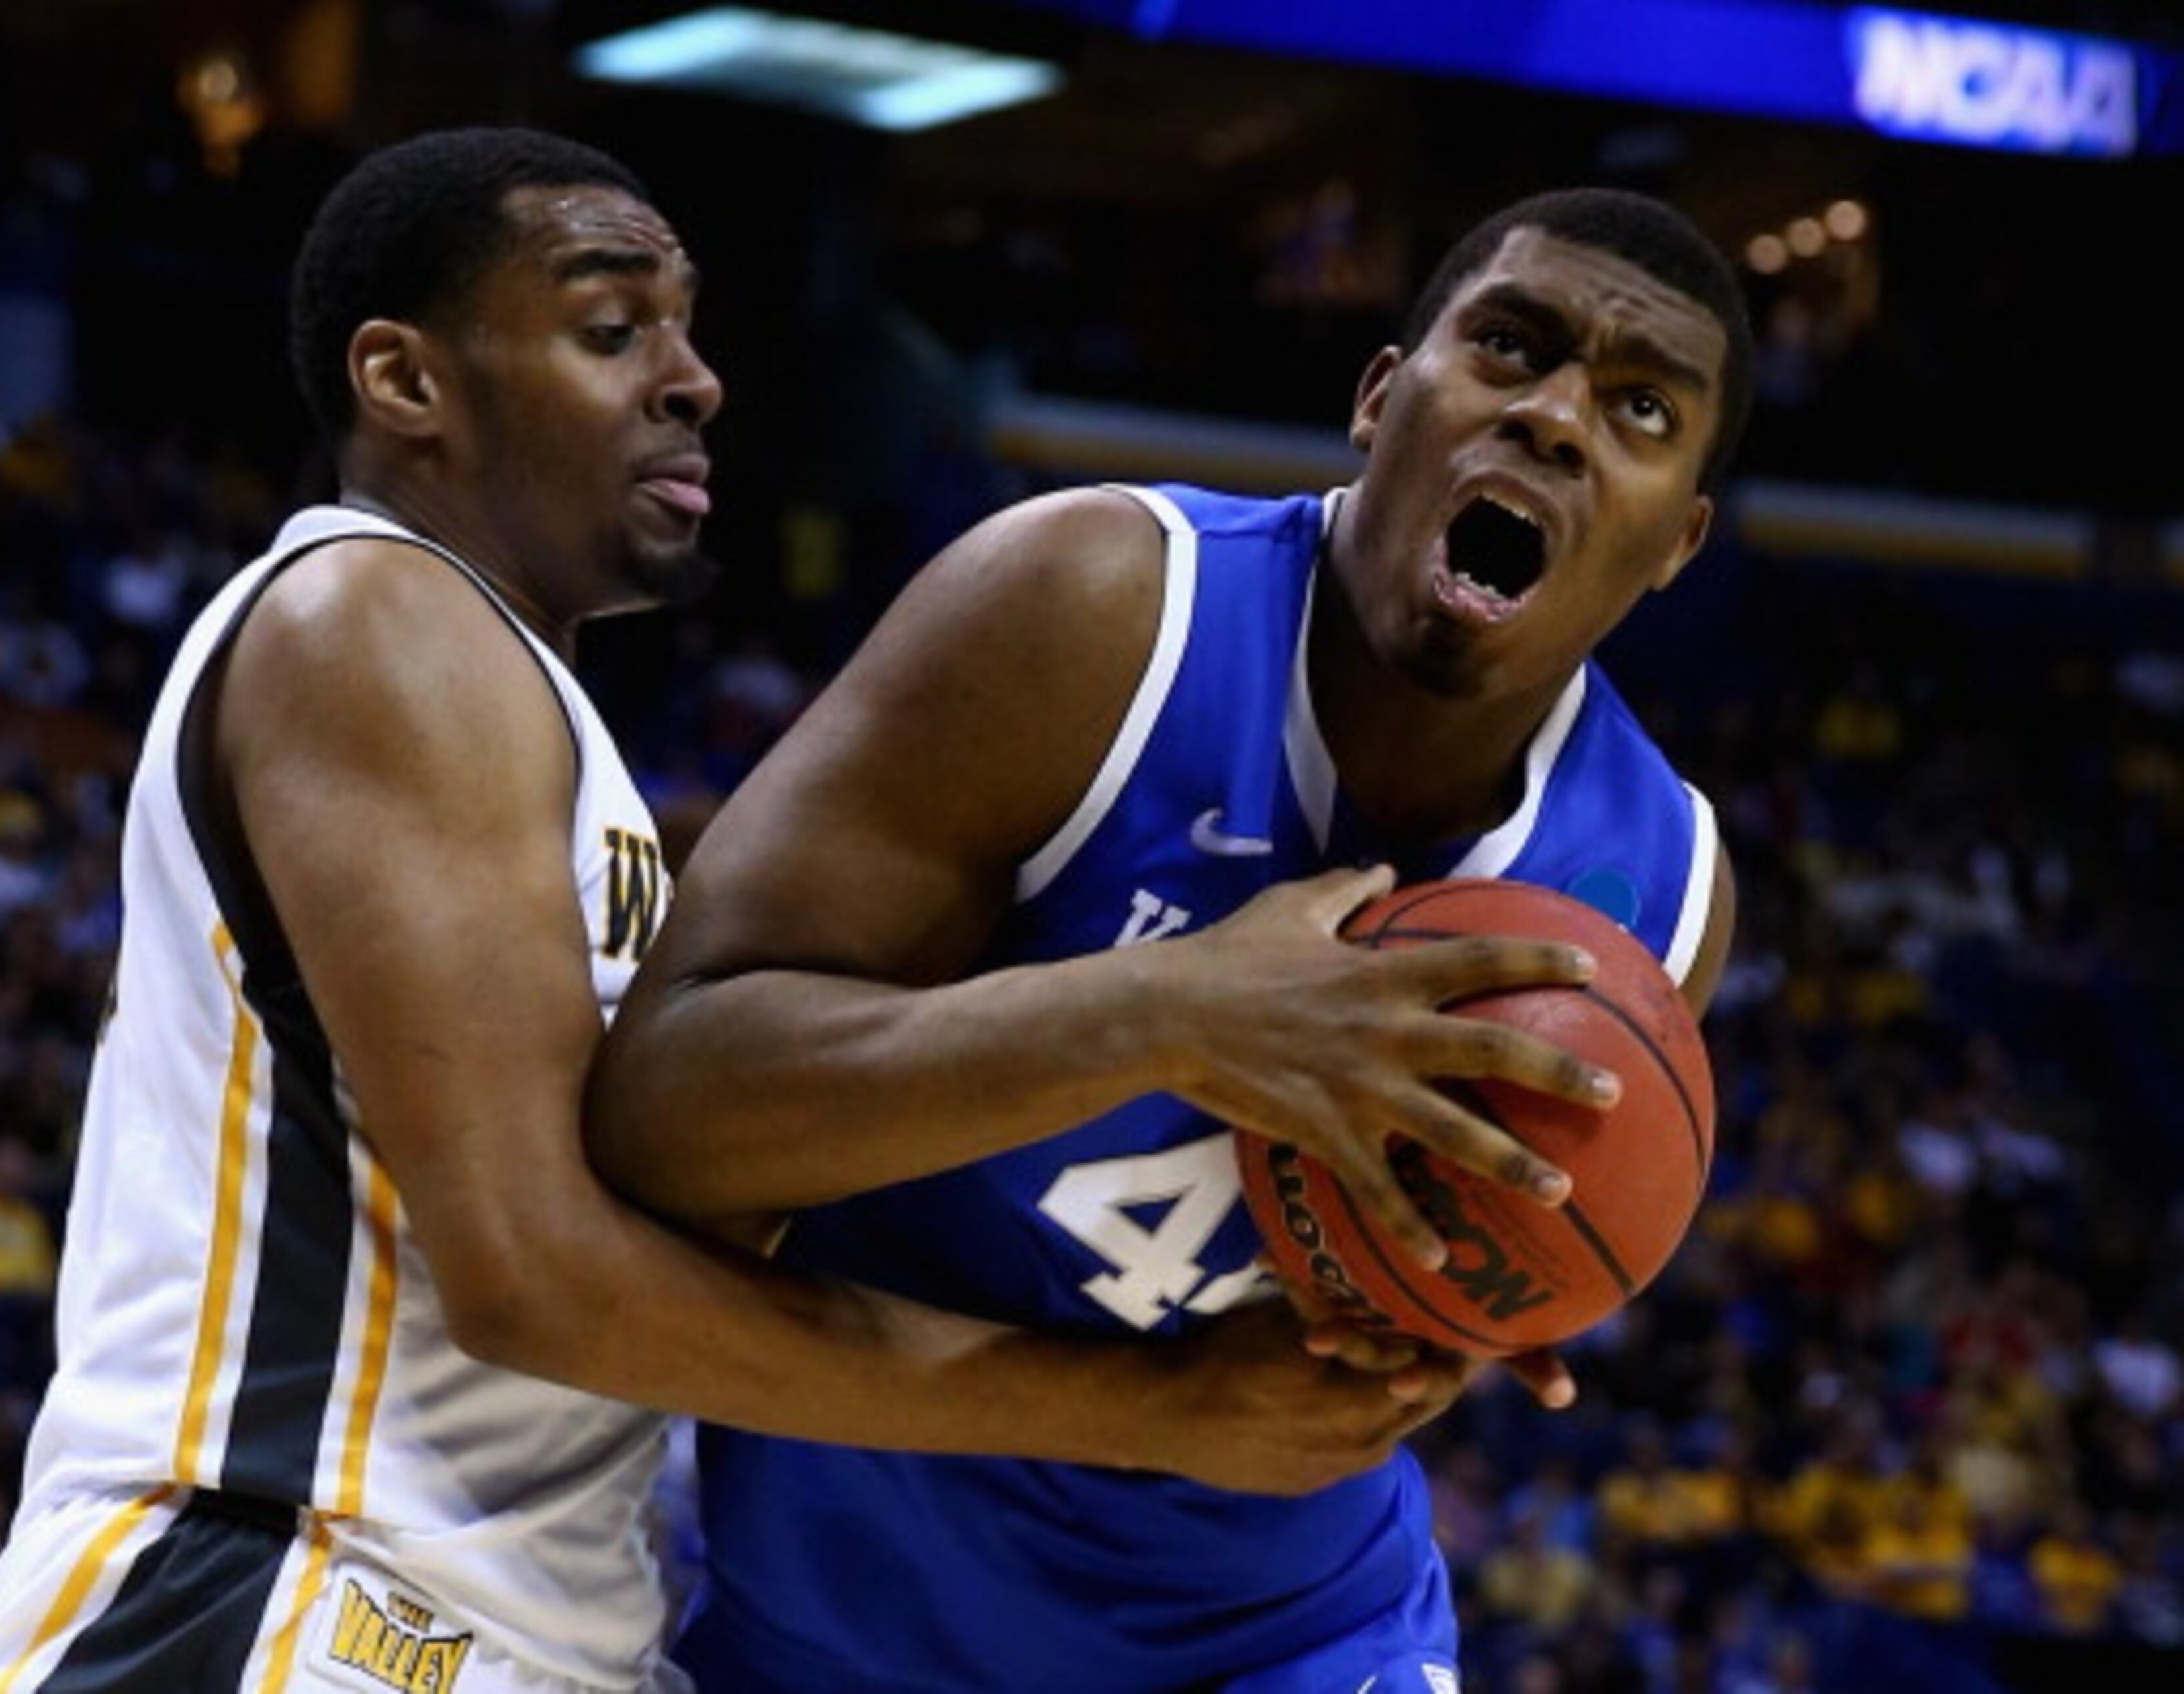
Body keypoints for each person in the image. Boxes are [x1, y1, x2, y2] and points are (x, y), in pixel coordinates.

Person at [0, 127, 1536, 1694]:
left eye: (688, 331)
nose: (692, 380)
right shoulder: (373, 616)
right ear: (406, 381)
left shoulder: (532, 727)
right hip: (290, 1586)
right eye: (612, 328)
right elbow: (535, 1279)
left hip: (497, 1623)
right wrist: (1140, 1403)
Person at [590, 185, 1755, 1691]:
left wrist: (1458, 1304)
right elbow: (661, 1110)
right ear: (1382, 400)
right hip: (843, 1614)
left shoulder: (1663, 886)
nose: (1551, 418)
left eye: (1640, 409)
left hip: (1300, 1631)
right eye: (1511, 349)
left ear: (1680, 543)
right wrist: (1168, 1014)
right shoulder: (1093, 612)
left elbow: (1407, 1302)